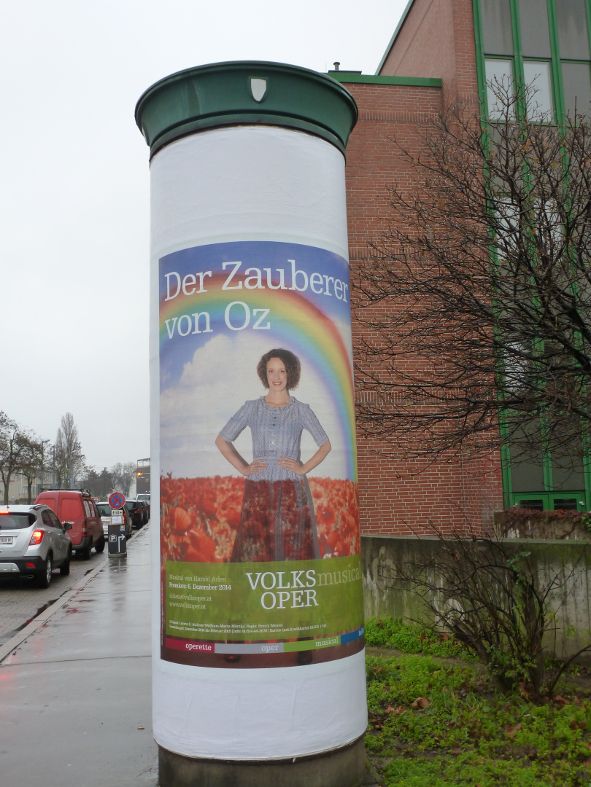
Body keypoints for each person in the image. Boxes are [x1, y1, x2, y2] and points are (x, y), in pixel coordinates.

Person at [215, 348, 331, 562]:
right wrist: (244, 468)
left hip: (292, 490)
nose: (276, 377)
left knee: (292, 547)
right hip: (258, 488)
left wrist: (303, 468)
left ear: (290, 374)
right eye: (271, 371)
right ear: (264, 374)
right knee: (255, 547)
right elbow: (222, 439)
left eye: (282, 371)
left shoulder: (302, 410)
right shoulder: (251, 408)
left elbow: (325, 445)